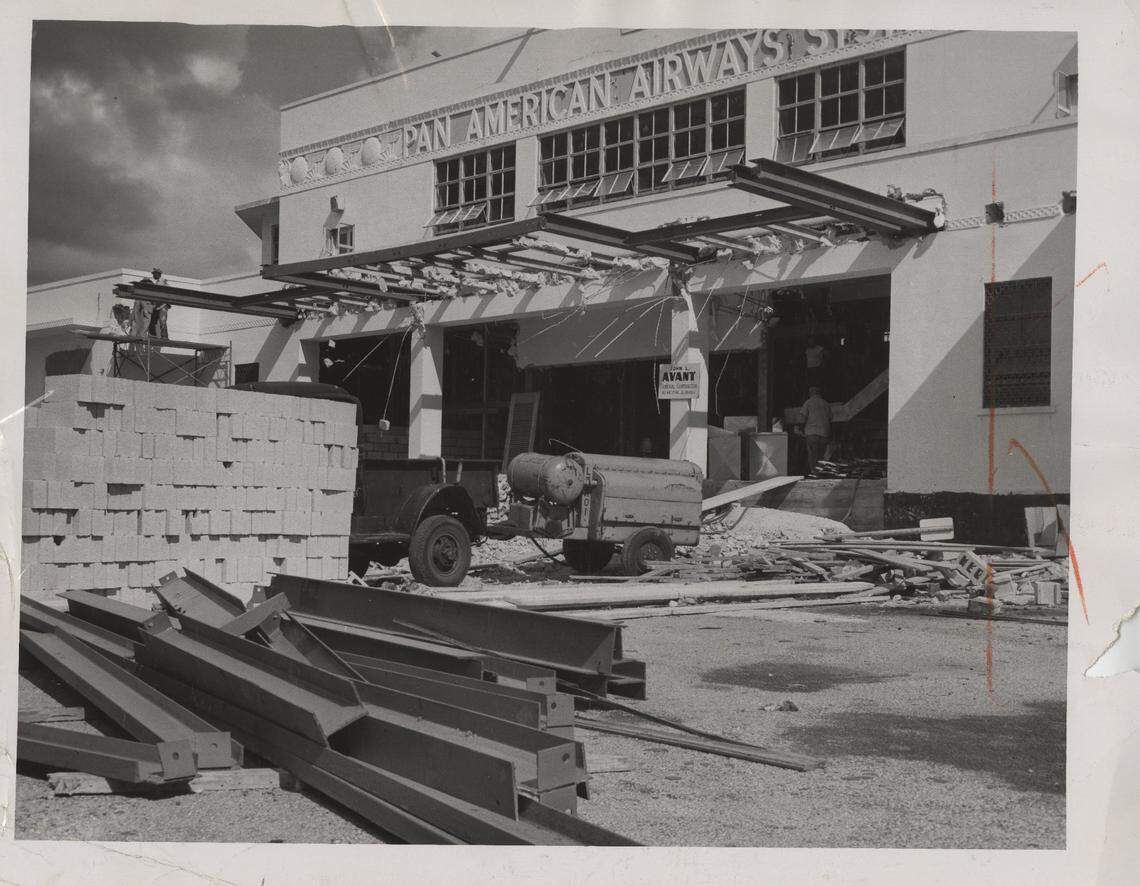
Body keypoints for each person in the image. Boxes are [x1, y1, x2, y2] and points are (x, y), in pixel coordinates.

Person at [800, 386, 832, 474]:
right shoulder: (826, 404)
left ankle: (814, 472)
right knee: (821, 455)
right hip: (824, 433)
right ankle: (820, 472)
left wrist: (801, 428)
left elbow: (803, 417)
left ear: (810, 393)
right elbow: (830, 418)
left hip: (812, 433)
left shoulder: (808, 402)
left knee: (812, 454)